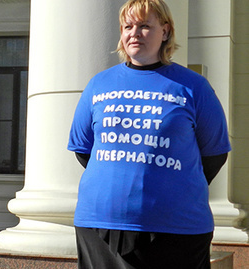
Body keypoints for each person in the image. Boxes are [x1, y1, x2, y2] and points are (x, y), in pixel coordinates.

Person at [67, 0, 230, 268]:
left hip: (176, 229)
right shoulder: (98, 84)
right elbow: (84, 150)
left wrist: (170, 185)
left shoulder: (194, 87)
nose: (134, 33)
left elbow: (214, 154)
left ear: (165, 32)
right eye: (128, 26)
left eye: (144, 26)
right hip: (99, 224)